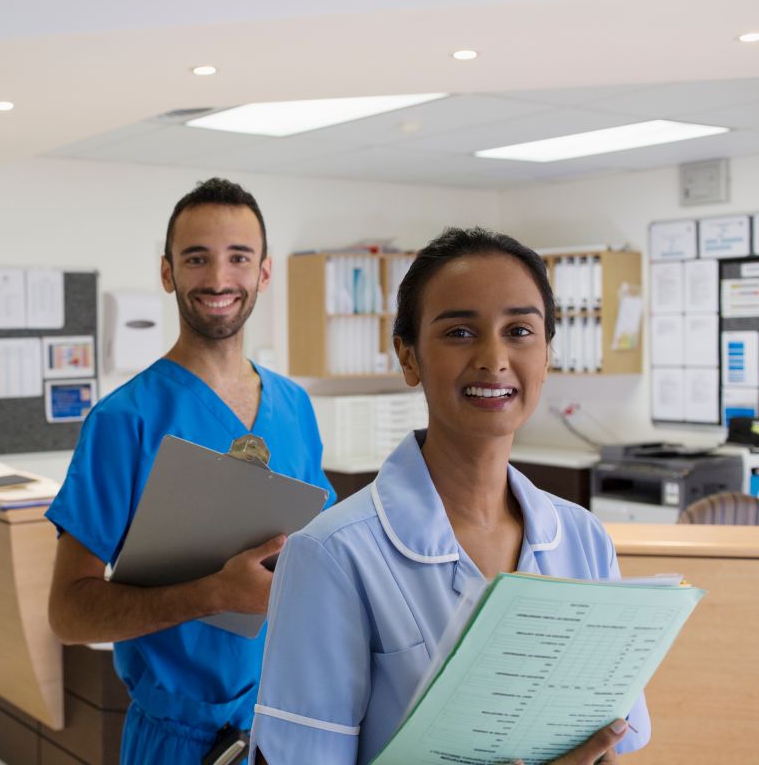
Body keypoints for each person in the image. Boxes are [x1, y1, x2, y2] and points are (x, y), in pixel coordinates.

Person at [250, 228, 650, 765]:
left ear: (548, 355)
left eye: (520, 330)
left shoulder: (583, 539)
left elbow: (615, 739)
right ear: (408, 357)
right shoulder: (331, 555)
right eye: (460, 331)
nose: (494, 357)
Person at [46, 177, 336, 764]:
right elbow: (69, 614)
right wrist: (213, 594)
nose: (219, 278)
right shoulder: (124, 420)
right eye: (197, 258)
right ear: (167, 272)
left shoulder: (295, 406)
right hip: (177, 743)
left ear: (264, 272)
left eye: (238, 258)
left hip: (285, 727)